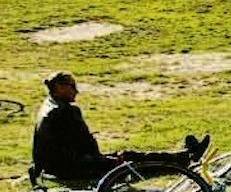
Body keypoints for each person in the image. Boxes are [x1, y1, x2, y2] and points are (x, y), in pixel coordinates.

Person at [31, 72, 205, 185]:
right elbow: (85, 144)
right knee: (130, 160)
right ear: (59, 88)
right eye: (72, 86)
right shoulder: (67, 111)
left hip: (54, 165)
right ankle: (185, 159)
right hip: (71, 167)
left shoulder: (49, 105)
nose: (77, 91)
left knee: (127, 155)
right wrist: (106, 161)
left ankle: (184, 156)